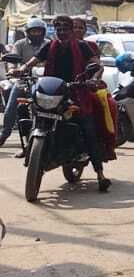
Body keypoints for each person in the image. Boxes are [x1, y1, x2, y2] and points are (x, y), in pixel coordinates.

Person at [20, 15, 113, 191]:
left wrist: (93, 78)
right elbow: (34, 61)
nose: (62, 32)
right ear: (55, 31)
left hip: (76, 91)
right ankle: (30, 149)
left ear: (71, 30)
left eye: (65, 29)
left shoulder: (82, 46)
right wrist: (22, 69)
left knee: (88, 127)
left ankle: (100, 174)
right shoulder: (50, 46)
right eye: (58, 29)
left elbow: (97, 66)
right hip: (52, 90)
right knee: (26, 108)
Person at [0, 17, 48, 149]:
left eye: (39, 31)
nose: (36, 34)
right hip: (24, 80)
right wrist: (12, 70)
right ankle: (4, 134)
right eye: (33, 31)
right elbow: (12, 60)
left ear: (43, 32)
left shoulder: (48, 44)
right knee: (11, 106)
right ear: (27, 32)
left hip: (42, 81)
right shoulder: (20, 44)